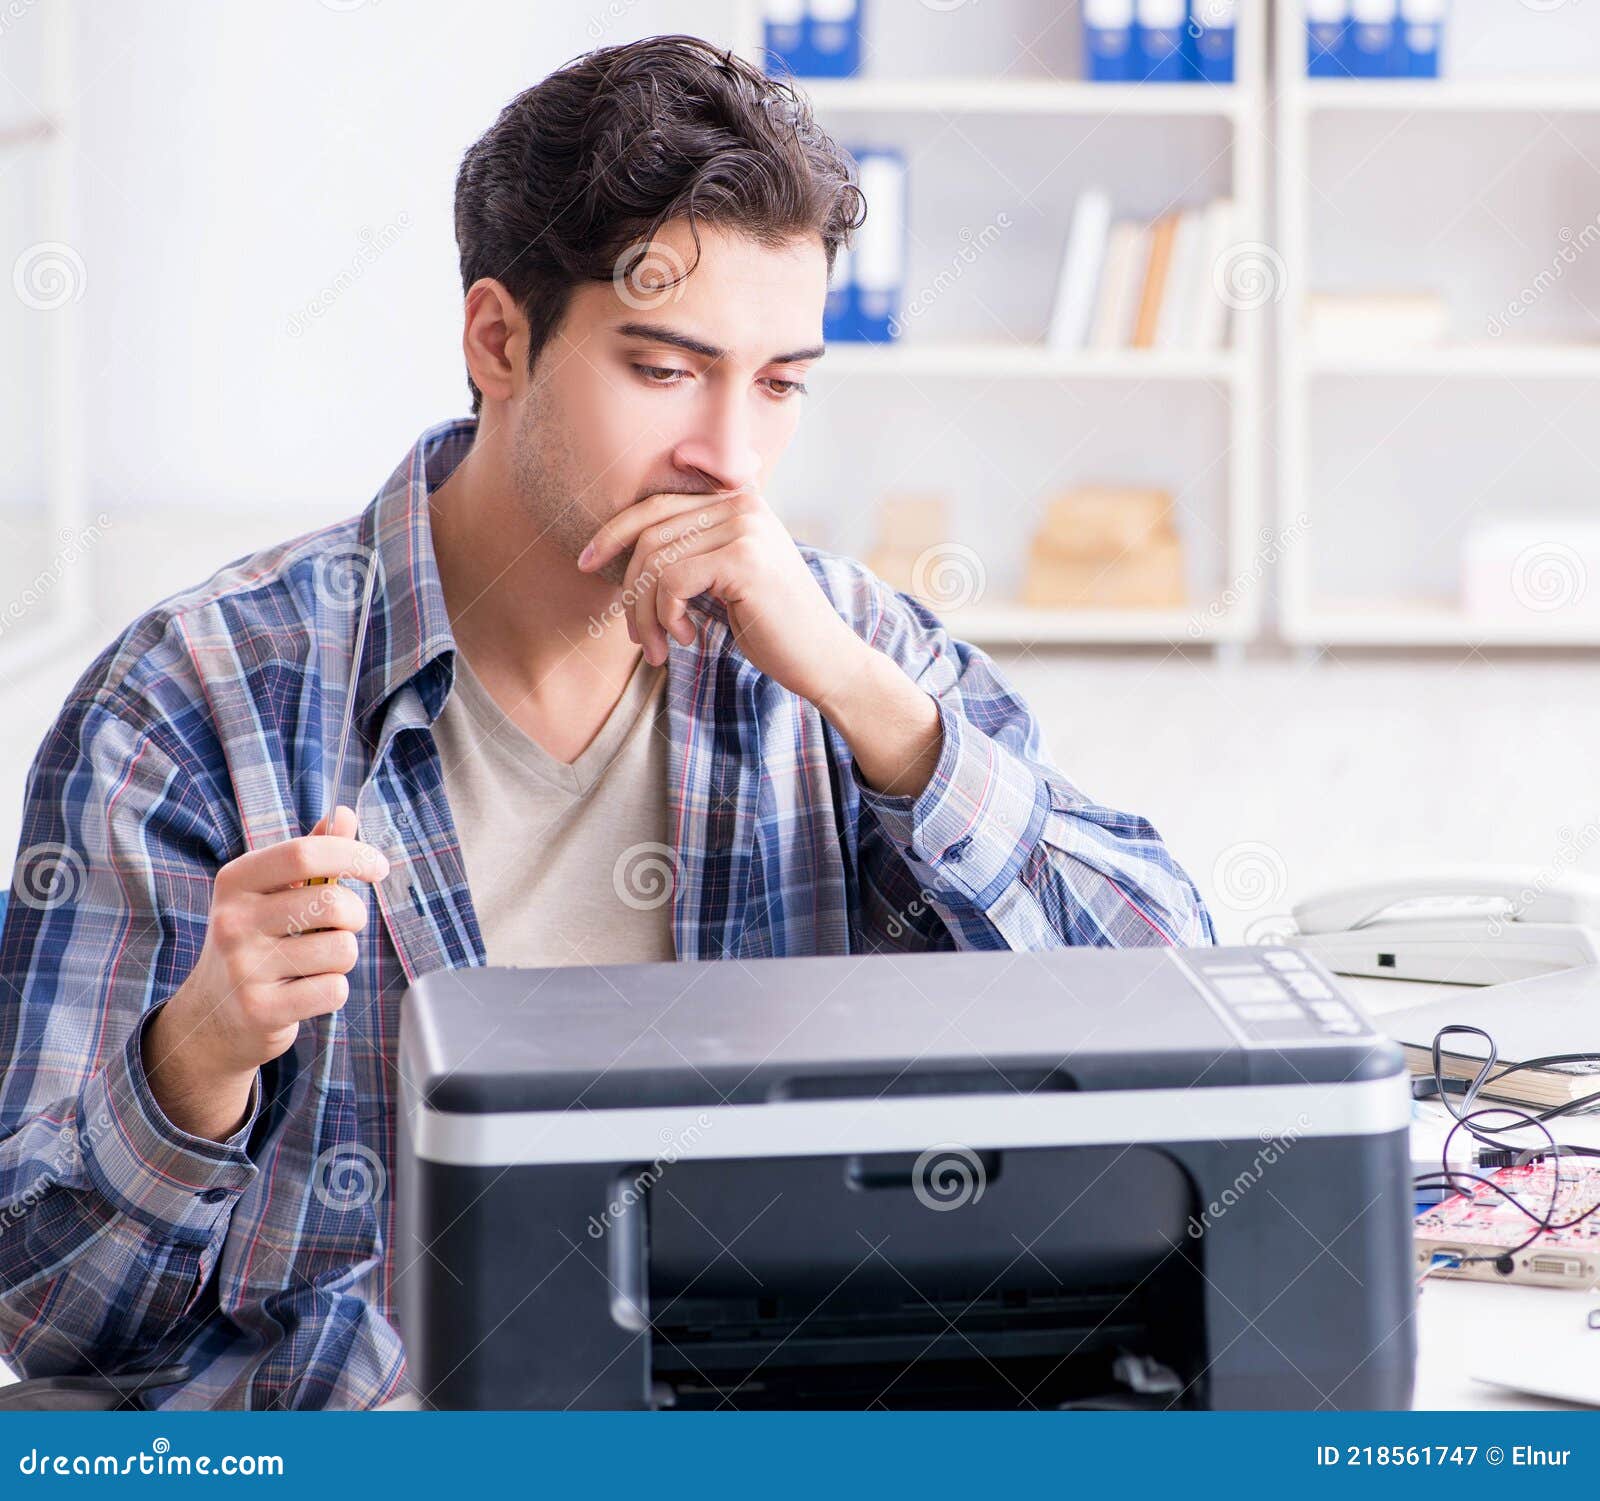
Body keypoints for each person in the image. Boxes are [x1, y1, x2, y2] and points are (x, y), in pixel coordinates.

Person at [0, 35, 1214, 1411]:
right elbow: (55, 1321)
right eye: (665, 368)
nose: (731, 456)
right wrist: (201, 1050)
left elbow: (1188, 1005)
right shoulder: (194, 698)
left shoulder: (845, 652)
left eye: (779, 382)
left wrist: (882, 713)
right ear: (498, 338)